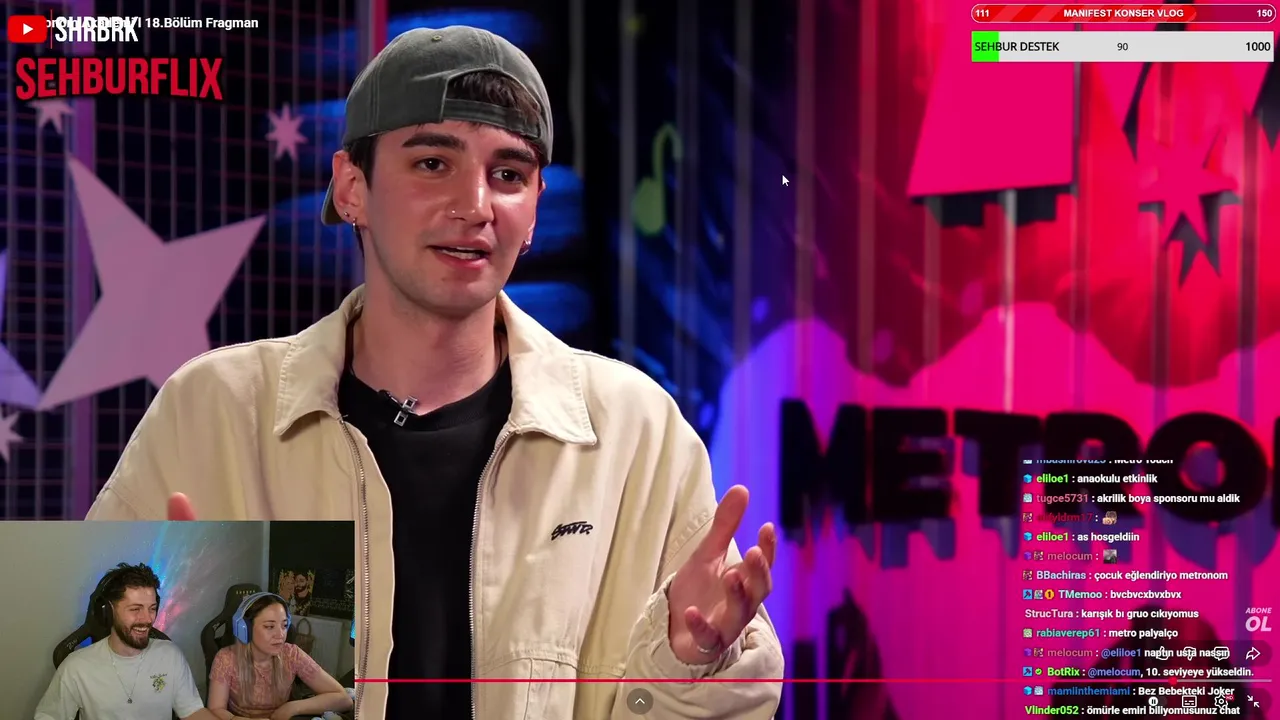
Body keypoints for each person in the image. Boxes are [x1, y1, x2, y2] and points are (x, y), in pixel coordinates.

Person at [86, 25, 784, 720]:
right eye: (431, 163)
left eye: (508, 175)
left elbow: (733, 702)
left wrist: (688, 667)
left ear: (534, 212)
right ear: (351, 188)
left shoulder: (637, 433)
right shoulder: (209, 411)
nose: (475, 206)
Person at [35, 563, 216, 720]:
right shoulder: (77, 667)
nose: (147, 619)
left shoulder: (170, 656)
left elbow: (193, 712)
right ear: (108, 612)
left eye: (152, 608)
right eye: (135, 609)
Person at [207, 593, 352, 720]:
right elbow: (215, 709)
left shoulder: (292, 654)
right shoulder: (226, 659)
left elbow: (343, 699)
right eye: (270, 626)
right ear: (245, 629)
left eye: (284, 625)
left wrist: (293, 707)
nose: (281, 635)